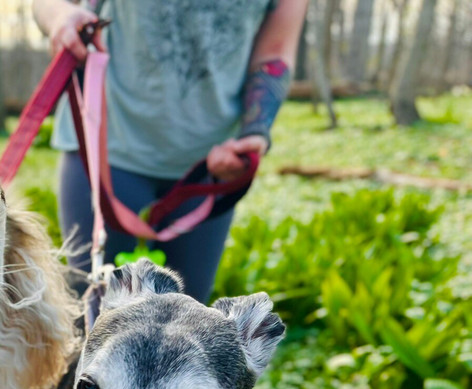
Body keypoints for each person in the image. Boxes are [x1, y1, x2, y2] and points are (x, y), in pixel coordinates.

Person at [32, 0, 308, 301]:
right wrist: (62, 18)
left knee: (186, 320)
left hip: (210, 166)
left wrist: (256, 133)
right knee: (92, 311)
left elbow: (275, 53)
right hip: (103, 151)